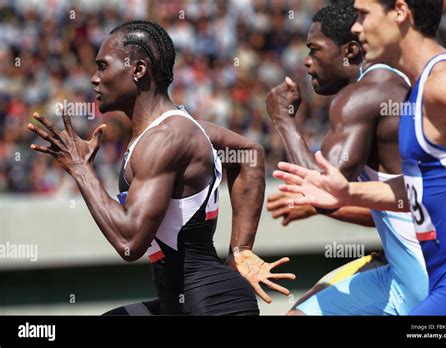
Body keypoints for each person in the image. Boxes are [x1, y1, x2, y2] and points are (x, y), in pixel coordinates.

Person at [27, 20, 295, 315]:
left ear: (138, 70)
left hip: (211, 305)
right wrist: (240, 249)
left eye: (102, 66)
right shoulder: (180, 130)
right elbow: (249, 154)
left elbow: (130, 242)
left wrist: (80, 169)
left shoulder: (166, 138)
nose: (94, 78)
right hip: (182, 304)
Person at [274, 0, 446, 315]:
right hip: (428, 276)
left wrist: (284, 121)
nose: (356, 27)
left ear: (400, 11)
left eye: (364, 15)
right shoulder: (416, 92)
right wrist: (348, 193)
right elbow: (419, 188)